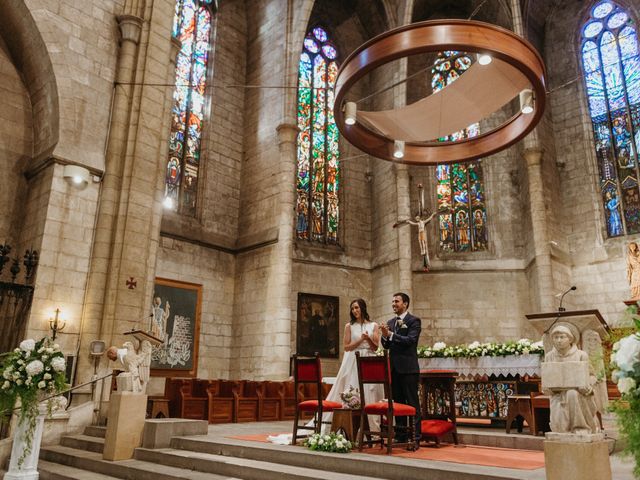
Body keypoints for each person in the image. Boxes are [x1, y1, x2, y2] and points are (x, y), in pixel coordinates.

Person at [317, 298, 383, 431]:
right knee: (352, 390)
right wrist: (360, 340)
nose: (354, 311)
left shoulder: (373, 325)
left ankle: (372, 429)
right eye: (352, 308)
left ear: (363, 308)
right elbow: (347, 347)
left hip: (369, 360)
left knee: (370, 392)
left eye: (357, 308)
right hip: (353, 360)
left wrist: (368, 338)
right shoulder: (349, 326)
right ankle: (348, 428)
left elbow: (375, 347)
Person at [380, 292, 422, 448]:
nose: (393, 304)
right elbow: (386, 345)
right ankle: (401, 435)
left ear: (405, 304)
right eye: (392, 302)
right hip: (394, 369)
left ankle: (415, 437)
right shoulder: (391, 322)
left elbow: (411, 341)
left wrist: (390, 335)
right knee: (397, 404)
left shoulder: (414, 321)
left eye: (396, 301)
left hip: (409, 368)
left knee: (412, 403)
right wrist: (384, 336)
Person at [543, 325, 599, 434]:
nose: (559, 340)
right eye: (556, 337)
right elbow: (547, 376)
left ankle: (580, 427)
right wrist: (546, 387)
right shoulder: (550, 356)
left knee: (571, 394)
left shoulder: (581, 355)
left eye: (562, 337)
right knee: (559, 428)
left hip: (579, 393)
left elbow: (592, 376)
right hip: (557, 393)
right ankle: (561, 428)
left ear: (570, 339)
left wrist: (588, 387)